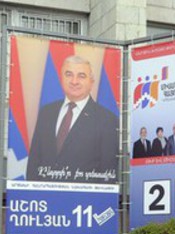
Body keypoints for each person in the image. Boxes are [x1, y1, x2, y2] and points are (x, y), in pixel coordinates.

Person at [26, 55, 118, 183]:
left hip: (83, 200)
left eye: (81, 76)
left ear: (91, 82)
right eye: (69, 74)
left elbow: (109, 173)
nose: (74, 81)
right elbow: (34, 163)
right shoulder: (46, 112)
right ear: (61, 78)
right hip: (44, 198)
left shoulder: (107, 120)